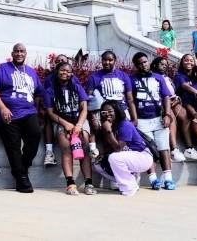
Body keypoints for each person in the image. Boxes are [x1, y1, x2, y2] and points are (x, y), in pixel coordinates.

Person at [0, 43, 43, 193]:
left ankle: (23, 167)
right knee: (13, 144)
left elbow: (38, 93)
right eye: (16, 51)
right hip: (7, 113)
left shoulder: (31, 72)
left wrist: (35, 110)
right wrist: (2, 108)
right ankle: (21, 178)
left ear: (26, 53)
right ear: (12, 53)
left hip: (28, 111)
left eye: (22, 51)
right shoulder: (2, 68)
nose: (19, 54)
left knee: (35, 135)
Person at [43, 62, 96, 195]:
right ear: (57, 71)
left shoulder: (77, 88)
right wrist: (65, 124)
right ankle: (70, 183)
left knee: (84, 144)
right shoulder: (50, 90)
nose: (65, 73)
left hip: (78, 121)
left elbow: (84, 109)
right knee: (65, 145)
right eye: (62, 70)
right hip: (61, 122)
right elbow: (50, 112)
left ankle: (88, 183)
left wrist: (78, 125)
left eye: (68, 71)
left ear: (72, 74)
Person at [129, 52, 176, 190]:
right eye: (140, 63)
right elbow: (131, 100)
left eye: (145, 62)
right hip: (142, 119)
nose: (143, 65)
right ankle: (153, 179)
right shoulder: (132, 79)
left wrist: (167, 114)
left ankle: (168, 178)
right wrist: (134, 118)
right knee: (148, 150)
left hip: (158, 117)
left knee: (163, 148)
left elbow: (166, 96)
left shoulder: (158, 77)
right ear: (136, 65)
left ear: (148, 62)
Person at [93, 100, 154, 196]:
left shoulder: (125, 124)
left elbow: (118, 149)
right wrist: (103, 155)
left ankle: (129, 188)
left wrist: (109, 131)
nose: (107, 114)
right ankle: (131, 179)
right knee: (98, 164)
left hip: (143, 157)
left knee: (114, 157)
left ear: (117, 110)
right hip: (129, 158)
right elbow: (111, 147)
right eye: (104, 112)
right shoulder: (109, 126)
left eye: (110, 111)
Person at [85, 50, 134, 158]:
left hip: (122, 111)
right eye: (104, 60)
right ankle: (109, 165)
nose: (107, 62)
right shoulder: (94, 77)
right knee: (108, 140)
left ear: (115, 61)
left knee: (124, 140)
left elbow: (130, 99)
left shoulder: (123, 76)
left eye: (110, 60)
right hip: (105, 112)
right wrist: (93, 117)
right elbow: (89, 99)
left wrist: (134, 118)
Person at [159, 56, 197, 161]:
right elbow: (184, 87)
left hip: (180, 101)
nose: (189, 62)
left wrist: (177, 98)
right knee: (172, 119)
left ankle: (190, 149)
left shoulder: (194, 75)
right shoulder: (178, 76)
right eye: (186, 60)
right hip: (169, 102)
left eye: (191, 60)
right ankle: (174, 150)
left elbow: (174, 92)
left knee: (187, 116)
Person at [40, 54, 69, 167]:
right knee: (47, 117)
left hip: (70, 110)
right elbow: (46, 96)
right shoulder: (49, 79)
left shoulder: (73, 78)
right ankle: (49, 152)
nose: (60, 62)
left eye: (63, 60)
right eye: (58, 61)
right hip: (55, 110)